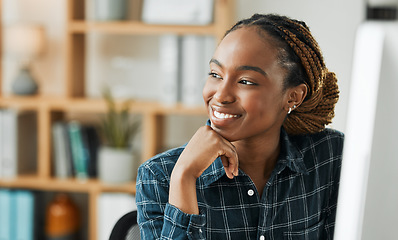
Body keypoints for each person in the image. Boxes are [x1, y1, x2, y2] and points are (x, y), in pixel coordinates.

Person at [136, 13, 344, 240]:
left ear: (293, 96)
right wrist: (185, 177)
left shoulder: (331, 157)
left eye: (245, 81)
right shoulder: (160, 176)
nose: (221, 95)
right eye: (216, 74)